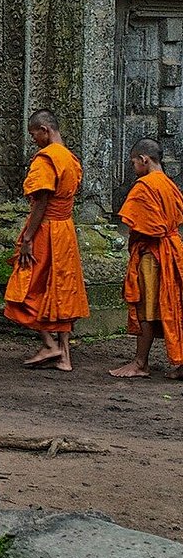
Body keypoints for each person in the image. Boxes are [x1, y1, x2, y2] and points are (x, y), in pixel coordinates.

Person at [4, 109, 89, 370]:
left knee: (24, 286)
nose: (34, 141)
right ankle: (64, 355)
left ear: (45, 130)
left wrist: (28, 236)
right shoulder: (70, 159)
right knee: (61, 288)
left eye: (34, 135)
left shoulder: (47, 158)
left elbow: (41, 200)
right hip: (66, 229)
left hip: (47, 229)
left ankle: (50, 344)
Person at [109, 139, 183, 379]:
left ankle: (141, 363)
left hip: (153, 254)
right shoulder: (170, 185)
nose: (133, 167)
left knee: (147, 307)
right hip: (173, 249)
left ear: (144, 160)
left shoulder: (145, 187)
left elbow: (142, 227)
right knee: (175, 303)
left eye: (133, 163)